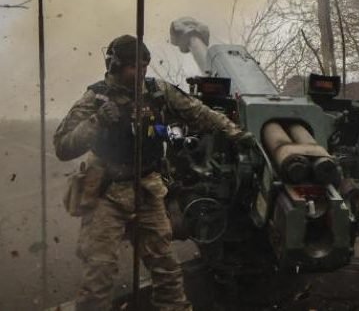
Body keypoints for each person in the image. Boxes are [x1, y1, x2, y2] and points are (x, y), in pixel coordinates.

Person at [54, 35, 254, 311]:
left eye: (144, 66)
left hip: (147, 190)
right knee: (99, 275)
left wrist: (236, 133)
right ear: (114, 66)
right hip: (106, 193)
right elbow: (63, 146)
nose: (140, 74)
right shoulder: (96, 98)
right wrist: (96, 121)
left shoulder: (157, 92)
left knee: (167, 270)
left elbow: (199, 113)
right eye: (133, 67)